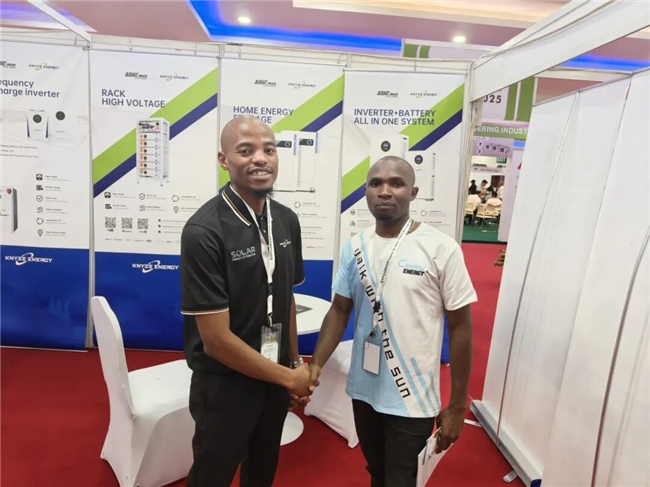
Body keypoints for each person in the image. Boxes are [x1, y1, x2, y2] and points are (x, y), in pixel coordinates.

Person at [307, 156, 477, 487]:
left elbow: (461, 327)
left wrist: (457, 405)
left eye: (396, 184)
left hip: (412, 398)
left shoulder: (441, 248)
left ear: (413, 192)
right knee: (377, 471)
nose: (385, 191)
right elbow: (339, 311)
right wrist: (314, 365)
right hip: (364, 390)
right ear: (365, 192)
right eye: (376, 184)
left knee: (402, 480)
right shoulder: (355, 247)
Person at [180, 116, 313, 487]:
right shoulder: (204, 231)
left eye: (269, 149)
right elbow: (216, 341)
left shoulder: (286, 220)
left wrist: (293, 362)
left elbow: (285, 298)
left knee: (262, 471)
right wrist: (290, 377)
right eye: (246, 150)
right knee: (212, 476)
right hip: (225, 384)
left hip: (273, 375)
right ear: (224, 160)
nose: (260, 158)